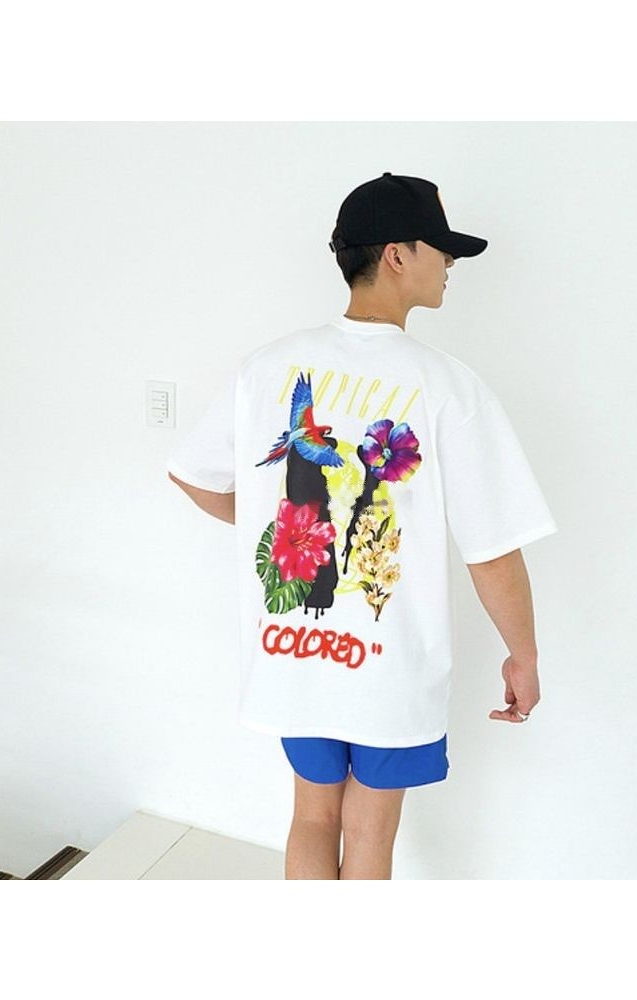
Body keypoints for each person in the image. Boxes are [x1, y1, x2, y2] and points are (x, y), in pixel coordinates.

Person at [166, 172, 558, 880]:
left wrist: (273, 525)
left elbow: (194, 476)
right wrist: (522, 654)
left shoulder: (267, 367)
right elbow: (493, 550)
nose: (451, 262)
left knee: (311, 817)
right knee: (370, 835)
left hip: (292, 658)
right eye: (441, 247)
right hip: (389, 670)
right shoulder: (448, 387)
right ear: (398, 255)